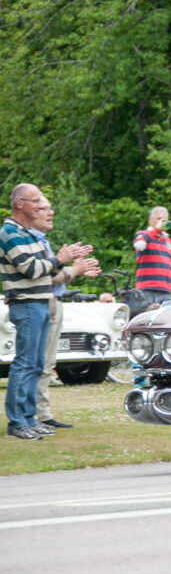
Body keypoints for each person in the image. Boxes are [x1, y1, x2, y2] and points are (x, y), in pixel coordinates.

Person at [1, 184, 93, 441]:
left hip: (41, 303)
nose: (40, 207)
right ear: (20, 204)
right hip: (26, 304)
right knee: (25, 363)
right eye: (35, 202)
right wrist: (61, 259)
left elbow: (49, 271)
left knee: (36, 364)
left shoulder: (29, 234)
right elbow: (30, 269)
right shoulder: (10, 232)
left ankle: (30, 419)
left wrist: (71, 261)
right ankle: (17, 423)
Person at [33, 197, 100, 430]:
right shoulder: (30, 240)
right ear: (29, 210)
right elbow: (45, 276)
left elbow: (54, 271)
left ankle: (42, 414)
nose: (50, 213)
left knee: (47, 362)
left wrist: (72, 266)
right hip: (42, 304)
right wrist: (74, 269)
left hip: (53, 302)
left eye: (51, 208)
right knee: (36, 362)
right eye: (43, 208)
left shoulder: (42, 240)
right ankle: (33, 416)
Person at [133, 206, 171, 308]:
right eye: (159, 219)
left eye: (164, 220)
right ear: (151, 221)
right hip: (146, 290)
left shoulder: (168, 241)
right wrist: (156, 229)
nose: (162, 222)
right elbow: (139, 245)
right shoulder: (143, 234)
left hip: (165, 291)